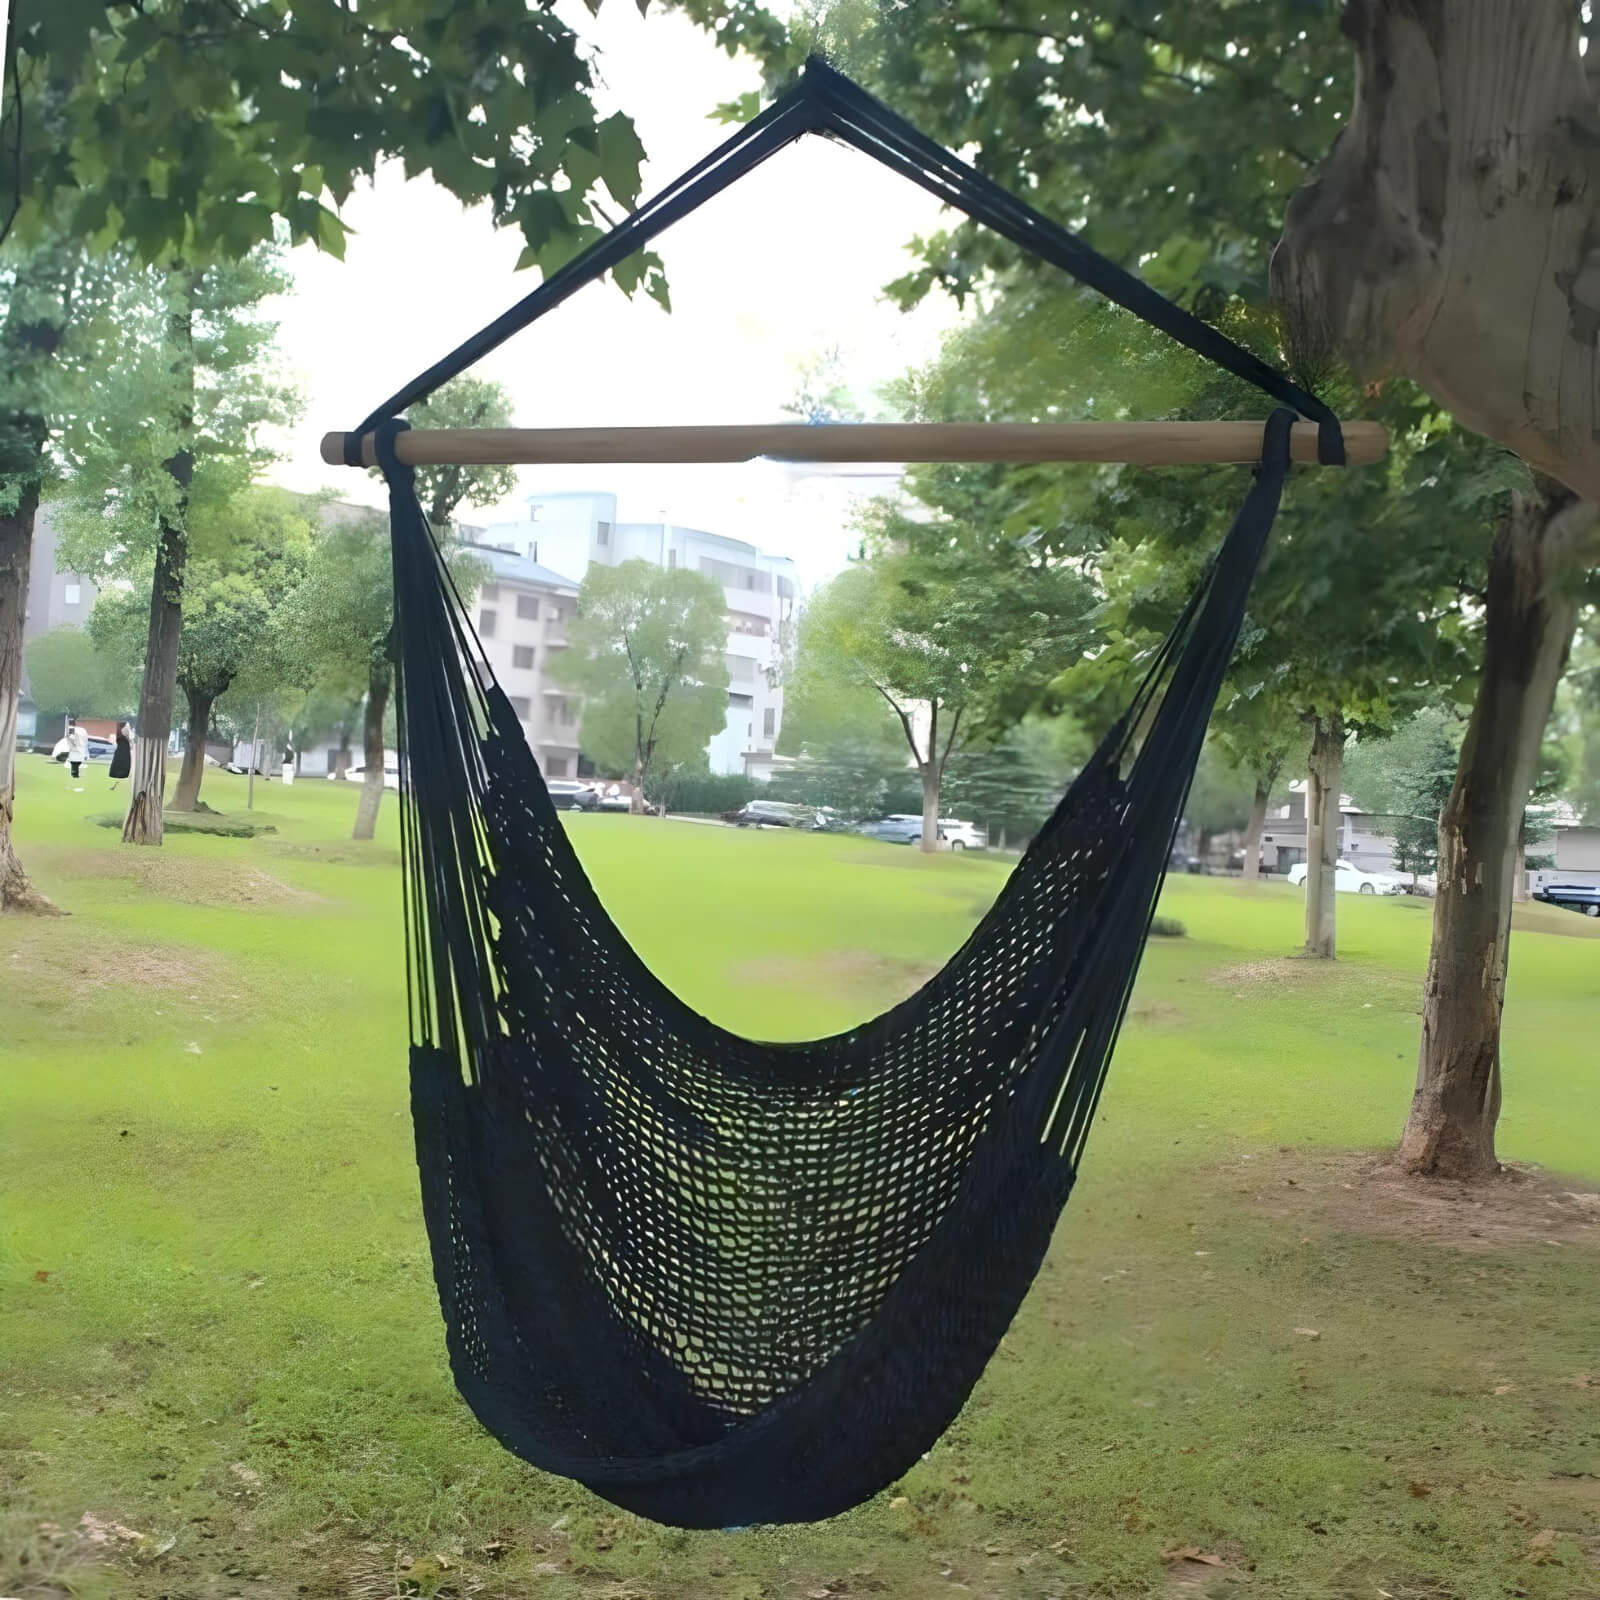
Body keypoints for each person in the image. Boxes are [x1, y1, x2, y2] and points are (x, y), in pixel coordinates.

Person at [64, 718, 89, 788]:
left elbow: (70, 742)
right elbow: (86, 742)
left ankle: (75, 785)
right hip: (80, 753)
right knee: (77, 769)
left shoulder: (71, 731)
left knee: (74, 770)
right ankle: (77, 786)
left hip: (75, 753)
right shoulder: (82, 730)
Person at [109, 721, 132, 789]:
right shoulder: (124, 731)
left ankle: (116, 781)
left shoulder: (120, 733)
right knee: (122, 764)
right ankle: (118, 780)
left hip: (121, 751)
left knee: (119, 764)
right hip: (123, 750)